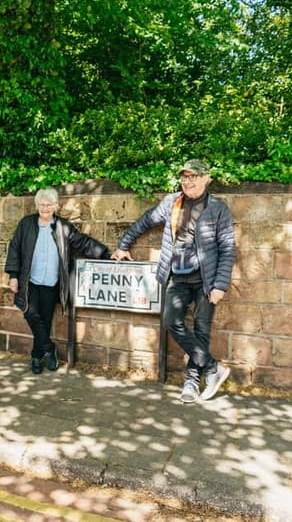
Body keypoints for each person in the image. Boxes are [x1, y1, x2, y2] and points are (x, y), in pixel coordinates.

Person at [111, 159, 236, 404]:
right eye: (185, 177)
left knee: (201, 329)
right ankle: (212, 369)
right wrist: (124, 244)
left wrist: (220, 285)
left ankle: (191, 382)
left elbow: (228, 248)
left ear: (206, 178)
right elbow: (145, 221)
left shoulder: (218, 209)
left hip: (205, 280)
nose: (188, 181)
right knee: (172, 321)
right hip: (177, 276)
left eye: (194, 176)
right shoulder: (172, 202)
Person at [4, 187, 111, 374]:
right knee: (30, 313)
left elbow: (82, 242)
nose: (45, 208)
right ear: (37, 205)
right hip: (30, 281)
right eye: (42, 204)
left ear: (55, 206)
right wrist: (13, 276)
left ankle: (36, 357)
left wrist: (106, 253)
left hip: (52, 283)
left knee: (44, 321)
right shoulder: (26, 224)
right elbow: (15, 249)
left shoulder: (63, 226)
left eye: (49, 205)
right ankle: (49, 348)